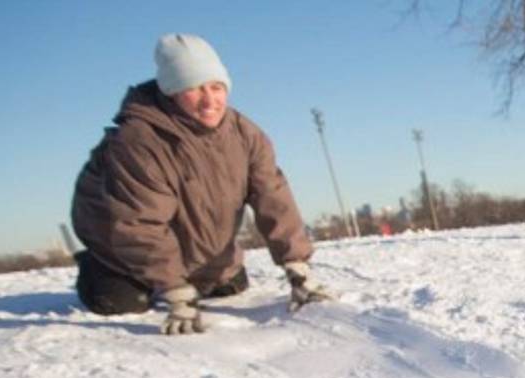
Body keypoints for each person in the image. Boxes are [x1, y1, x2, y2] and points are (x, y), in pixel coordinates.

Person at [71, 33, 331, 335]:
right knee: (121, 301)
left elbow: (273, 197)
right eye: (194, 89)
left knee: (230, 286)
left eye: (217, 87)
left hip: (200, 247)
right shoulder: (138, 141)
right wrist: (175, 290)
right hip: (124, 249)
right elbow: (138, 222)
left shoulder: (245, 135)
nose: (210, 100)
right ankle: (100, 270)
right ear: (171, 92)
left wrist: (297, 266)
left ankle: (188, 272)